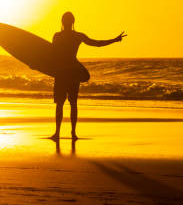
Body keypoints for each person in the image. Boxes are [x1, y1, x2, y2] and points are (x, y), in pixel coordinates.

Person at [50, 11, 126, 140]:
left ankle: (58, 133)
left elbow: (51, 56)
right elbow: (96, 43)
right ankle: (72, 133)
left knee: (60, 104)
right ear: (72, 22)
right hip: (73, 72)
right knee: (73, 103)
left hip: (62, 73)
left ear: (62, 22)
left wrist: (39, 65)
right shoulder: (77, 36)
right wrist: (114, 40)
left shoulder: (57, 36)